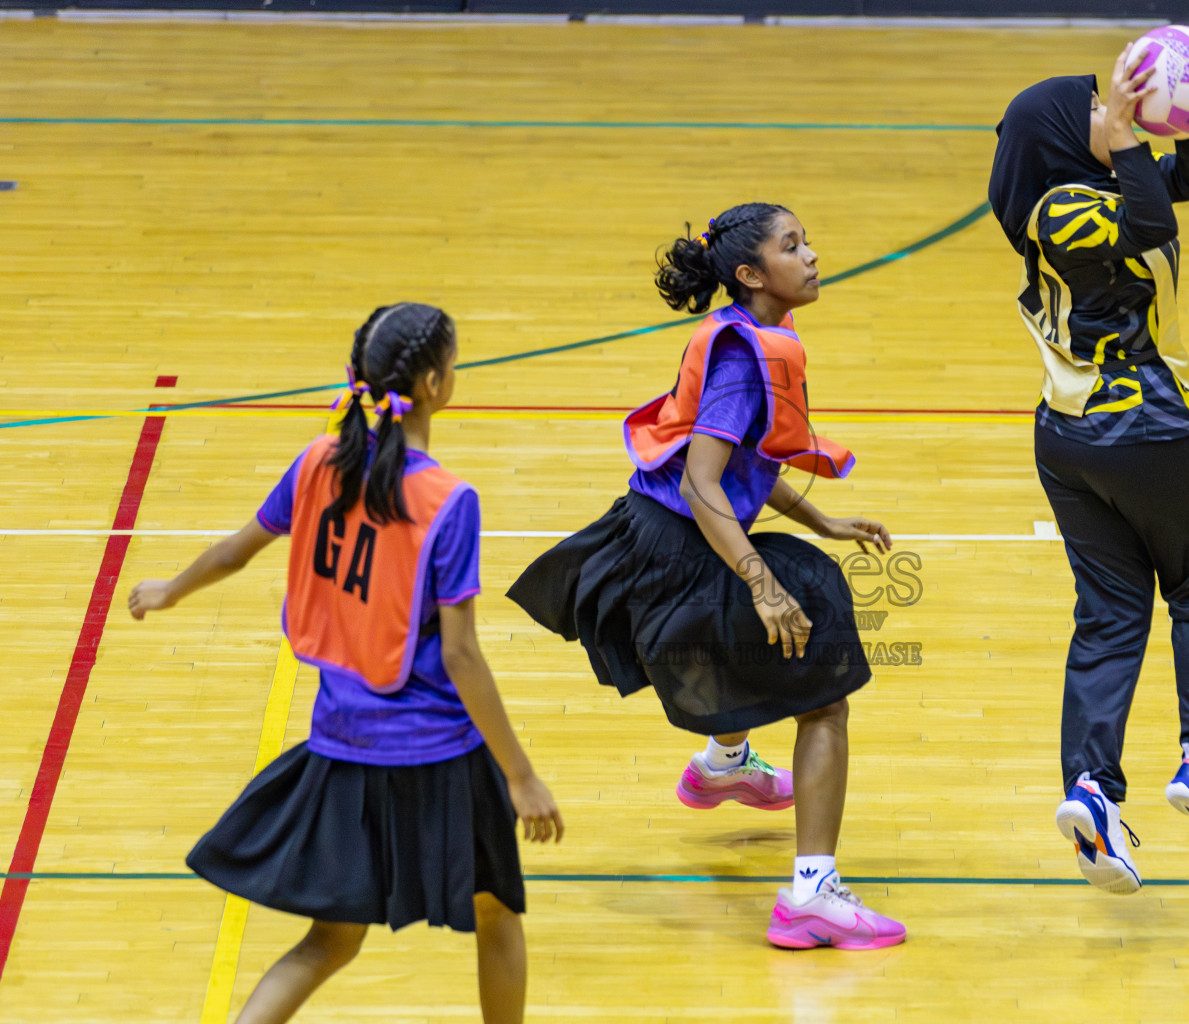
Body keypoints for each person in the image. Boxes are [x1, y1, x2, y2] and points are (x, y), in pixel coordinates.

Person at [128, 303, 563, 1022]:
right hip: (441, 755)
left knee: (329, 940)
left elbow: (237, 550)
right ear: (434, 385)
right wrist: (520, 775)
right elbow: (460, 654)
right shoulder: (447, 500)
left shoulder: (318, 464)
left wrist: (171, 589)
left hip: (343, 747)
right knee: (495, 917)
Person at [508, 203, 905, 950]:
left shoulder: (751, 334)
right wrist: (760, 581)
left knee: (783, 612)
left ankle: (724, 765)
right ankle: (812, 896)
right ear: (751, 274)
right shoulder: (740, 362)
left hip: (668, 538)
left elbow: (745, 463)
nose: (812, 256)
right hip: (679, 551)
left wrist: (823, 521)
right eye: (793, 246)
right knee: (823, 694)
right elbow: (700, 481)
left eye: (807, 241)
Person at [989, 45, 1189, 895]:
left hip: (1069, 437)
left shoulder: (1099, 185)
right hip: (1140, 425)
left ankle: (1093, 798)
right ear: (1062, 136)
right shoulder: (1061, 209)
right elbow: (1149, 222)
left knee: (1110, 615)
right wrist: (1133, 140)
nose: (1110, 108)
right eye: (1093, 106)